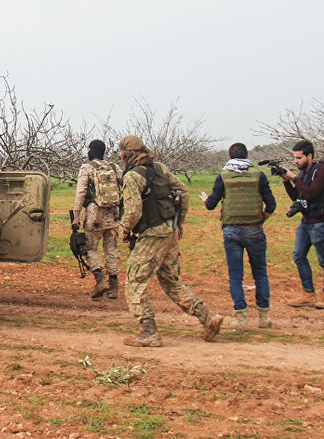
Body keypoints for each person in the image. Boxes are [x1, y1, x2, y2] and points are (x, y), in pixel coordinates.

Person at [118, 135, 223, 347]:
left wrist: (123, 229)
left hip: (151, 235)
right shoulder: (160, 169)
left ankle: (149, 331)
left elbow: (134, 211)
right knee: (170, 280)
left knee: (135, 281)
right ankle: (207, 317)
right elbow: (183, 191)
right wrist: (178, 222)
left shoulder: (132, 177)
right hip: (168, 231)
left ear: (127, 153)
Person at [199, 142, 277, 329]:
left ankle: (242, 319)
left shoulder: (223, 176)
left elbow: (211, 205)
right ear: (247, 156)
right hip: (254, 229)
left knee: (236, 276)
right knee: (260, 274)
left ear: (229, 157)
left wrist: (205, 199)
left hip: (231, 231)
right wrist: (261, 220)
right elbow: (271, 205)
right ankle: (264, 317)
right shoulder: (259, 175)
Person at [281, 140, 324, 309]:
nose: (296, 161)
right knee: (298, 255)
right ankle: (308, 293)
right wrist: (286, 181)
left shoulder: (321, 172)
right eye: (295, 158)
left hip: (321, 223)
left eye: (299, 158)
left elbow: (311, 193)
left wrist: (294, 178)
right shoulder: (304, 173)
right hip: (306, 222)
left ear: (309, 156)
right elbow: (298, 197)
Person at [72, 139, 123, 300]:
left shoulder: (87, 168)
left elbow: (81, 193)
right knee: (112, 249)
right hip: (113, 214)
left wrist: (76, 216)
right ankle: (114, 287)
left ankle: (100, 280)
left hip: (95, 214)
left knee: (89, 247)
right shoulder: (115, 167)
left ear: (92, 151)